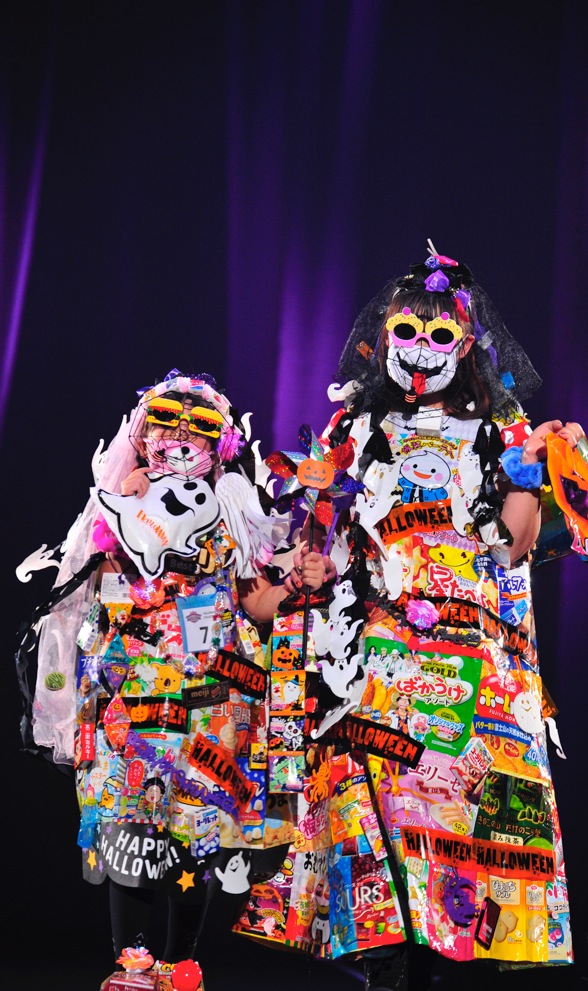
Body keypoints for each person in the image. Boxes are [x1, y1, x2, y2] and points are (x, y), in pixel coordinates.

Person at [234, 246, 587, 988]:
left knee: (459, 855)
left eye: (439, 334)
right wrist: (312, 566)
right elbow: (319, 541)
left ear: (467, 344)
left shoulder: (502, 429)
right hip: (377, 665)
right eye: (405, 331)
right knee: (379, 863)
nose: (420, 349)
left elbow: (513, 545)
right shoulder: (355, 430)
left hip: (471, 672)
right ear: (383, 336)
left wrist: (529, 468)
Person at [18, 369, 329, 991]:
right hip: (131, 688)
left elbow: (255, 600)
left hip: (213, 693)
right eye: (166, 421)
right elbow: (88, 587)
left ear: (221, 442)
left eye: (201, 426)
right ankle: (131, 960)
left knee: (200, 826)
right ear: (142, 434)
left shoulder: (233, 508)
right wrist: (122, 507)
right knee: (129, 819)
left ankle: (182, 961)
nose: (182, 436)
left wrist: (295, 582)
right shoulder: (117, 504)